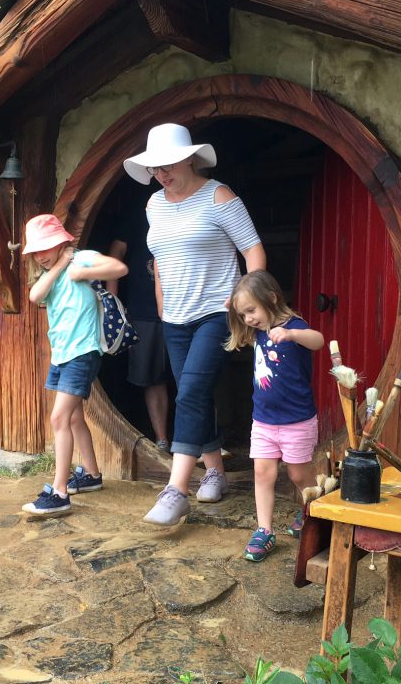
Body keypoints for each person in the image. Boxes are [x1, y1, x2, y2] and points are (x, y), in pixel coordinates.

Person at [123, 122, 266, 526]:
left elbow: (253, 251)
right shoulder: (154, 205)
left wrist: (242, 300)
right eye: (155, 168)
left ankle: (176, 489)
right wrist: (161, 304)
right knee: (192, 393)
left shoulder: (219, 196)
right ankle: (215, 471)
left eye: (169, 164)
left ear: (189, 158)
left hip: (215, 311)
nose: (162, 174)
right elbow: (161, 261)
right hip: (174, 316)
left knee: (190, 392)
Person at [20, 214, 128, 517]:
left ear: (63, 241)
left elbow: (119, 267)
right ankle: (91, 475)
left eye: (47, 248)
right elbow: (34, 296)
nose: (41, 256)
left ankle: (59, 492)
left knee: (59, 419)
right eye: (36, 252)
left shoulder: (83, 258)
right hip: (62, 354)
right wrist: (58, 266)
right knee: (75, 417)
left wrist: (80, 270)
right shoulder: (51, 271)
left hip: (83, 352)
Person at [225, 270, 323, 561]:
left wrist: (292, 334)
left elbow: (318, 340)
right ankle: (264, 530)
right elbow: (239, 326)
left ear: (271, 298)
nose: (248, 319)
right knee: (263, 472)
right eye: (243, 315)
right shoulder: (255, 333)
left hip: (297, 421)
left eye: (251, 310)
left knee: (298, 473)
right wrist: (234, 309)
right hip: (264, 421)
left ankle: (314, 511)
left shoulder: (295, 327)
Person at [106, 207, 171, 451]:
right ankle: (162, 440)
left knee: (194, 376)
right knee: (152, 378)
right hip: (143, 311)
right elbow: (115, 254)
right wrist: (112, 303)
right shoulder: (137, 213)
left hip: (185, 309)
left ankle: (207, 442)